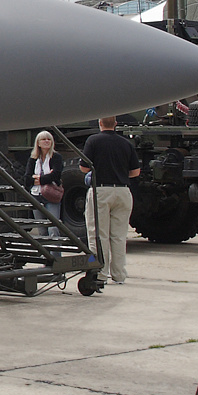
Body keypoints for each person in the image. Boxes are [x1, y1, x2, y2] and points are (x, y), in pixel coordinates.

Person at [81, 117, 140, 284]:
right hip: (122, 191)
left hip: (100, 189)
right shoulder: (126, 144)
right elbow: (135, 172)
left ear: (100, 123)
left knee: (98, 235)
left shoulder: (93, 141)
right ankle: (119, 274)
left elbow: (84, 167)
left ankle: (99, 272)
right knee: (119, 236)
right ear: (115, 124)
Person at [26, 130, 64, 238]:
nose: (47, 141)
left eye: (49, 139)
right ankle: (46, 254)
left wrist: (37, 178)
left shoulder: (56, 157)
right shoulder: (33, 159)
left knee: (53, 227)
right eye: (43, 139)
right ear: (38, 143)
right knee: (42, 230)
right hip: (36, 195)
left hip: (51, 195)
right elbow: (27, 179)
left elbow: (56, 175)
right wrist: (45, 178)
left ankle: (55, 254)